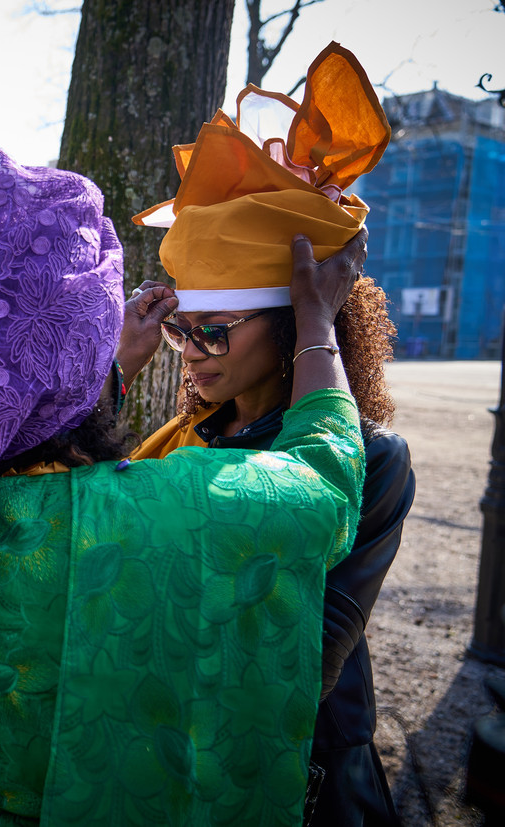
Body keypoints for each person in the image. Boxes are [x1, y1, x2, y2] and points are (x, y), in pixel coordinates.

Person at [0, 146, 367, 824]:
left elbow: (22, 445)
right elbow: (323, 478)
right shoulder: (158, 512)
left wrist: (104, 375)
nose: (190, 347)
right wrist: (318, 323)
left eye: (211, 331)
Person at [121, 43, 413, 826]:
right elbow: (83, 515)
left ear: (296, 329)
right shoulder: (190, 433)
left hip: (304, 779)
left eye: (212, 332)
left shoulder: (373, 460)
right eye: (180, 329)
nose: (188, 352)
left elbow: (305, 659)